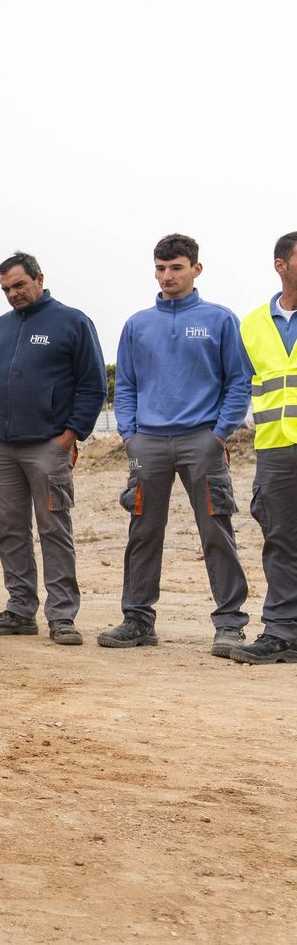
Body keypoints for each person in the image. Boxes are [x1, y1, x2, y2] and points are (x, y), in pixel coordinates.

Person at [100, 235, 251, 656]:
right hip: (147, 443)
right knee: (143, 531)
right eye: (161, 269)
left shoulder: (220, 319)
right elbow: (126, 384)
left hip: (201, 441)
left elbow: (238, 382)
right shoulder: (137, 324)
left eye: (177, 268)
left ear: (195, 270)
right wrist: (130, 436)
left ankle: (229, 624)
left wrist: (219, 434)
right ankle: (137, 619)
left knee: (215, 530)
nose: (168, 276)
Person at [0, 251, 106, 646]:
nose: (13, 294)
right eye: (6, 289)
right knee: (10, 531)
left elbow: (94, 384)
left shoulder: (72, 322)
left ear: (39, 278)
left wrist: (70, 436)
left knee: (54, 529)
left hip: (47, 446)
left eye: (19, 285)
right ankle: (19, 610)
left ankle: (62, 616)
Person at [228, 231, 297, 664]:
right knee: (280, 540)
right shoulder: (251, 324)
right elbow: (238, 386)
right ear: (281, 265)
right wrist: (220, 433)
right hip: (275, 450)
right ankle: (281, 631)